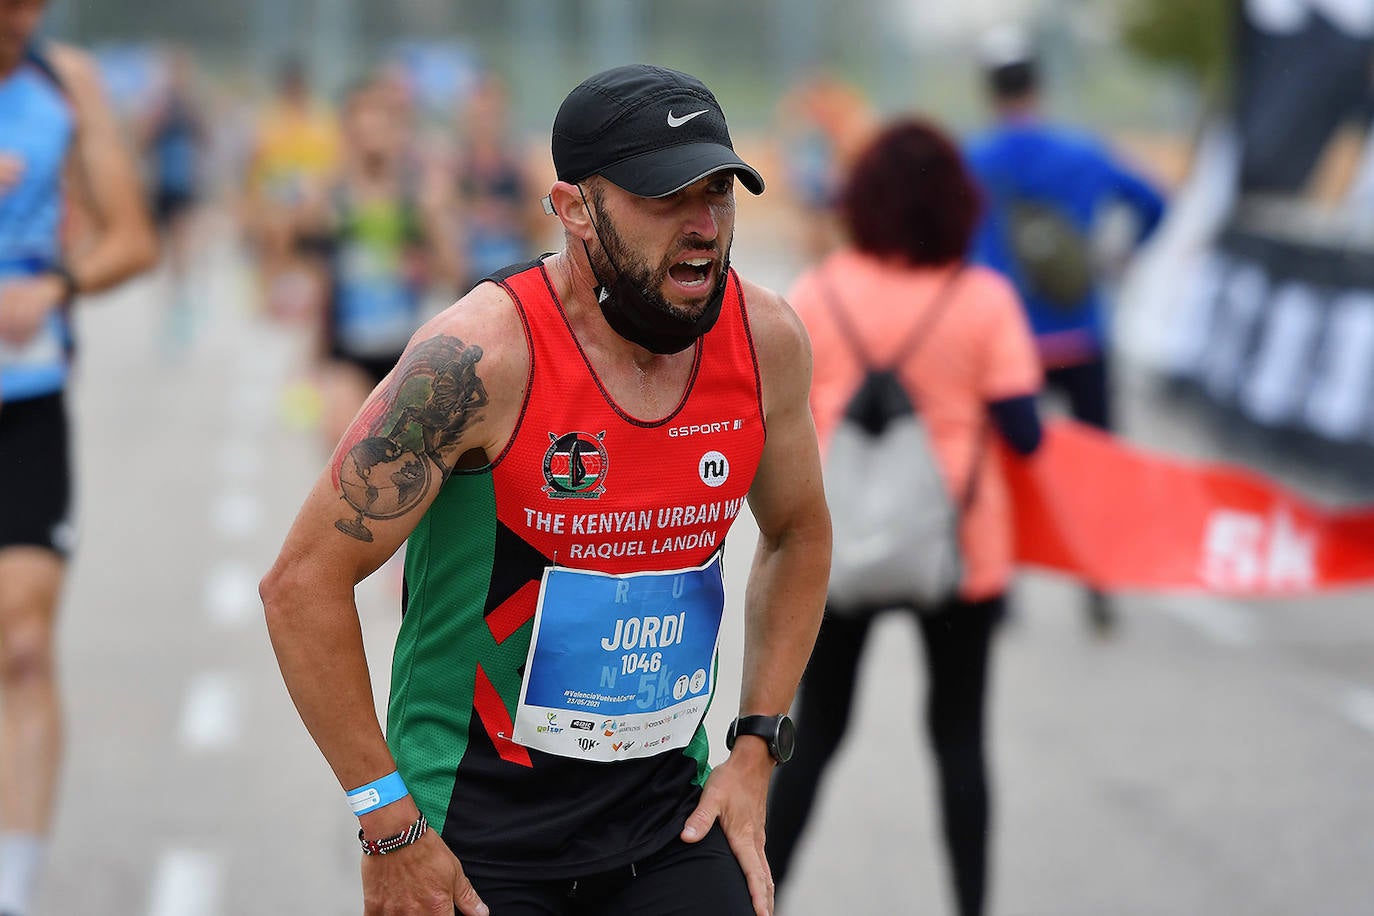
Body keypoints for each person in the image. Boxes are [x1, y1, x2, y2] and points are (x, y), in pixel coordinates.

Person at [261, 64, 831, 916]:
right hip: (472, 839)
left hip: (664, 825)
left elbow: (798, 533)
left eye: (718, 193)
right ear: (574, 209)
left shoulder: (765, 342)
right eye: (664, 198)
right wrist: (387, 823)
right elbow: (301, 585)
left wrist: (755, 748)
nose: (705, 226)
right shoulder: (480, 359)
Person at [765, 119, 1044, 916]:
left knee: (814, 734)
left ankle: (764, 896)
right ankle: (971, 902)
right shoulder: (982, 299)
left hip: (836, 544)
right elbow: (1024, 434)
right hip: (958, 552)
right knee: (959, 738)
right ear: (959, 205)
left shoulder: (820, 290)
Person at [0, 2, 159, 913]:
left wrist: (56, 283)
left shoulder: (67, 85)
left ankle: (15, 886)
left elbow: (133, 239)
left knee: (23, 644)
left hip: (26, 399)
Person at [964, 31, 1165, 635]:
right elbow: (1155, 201)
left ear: (991, 92)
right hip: (1081, 332)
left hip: (1004, 342)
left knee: (1002, 467)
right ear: (1038, 86)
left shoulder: (972, 159)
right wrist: (1122, 256)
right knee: (1095, 466)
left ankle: (1000, 589)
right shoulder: (1084, 152)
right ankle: (1099, 579)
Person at [294, 77, 458, 450]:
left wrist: (434, 224)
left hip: (407, 355)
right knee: (342, 454)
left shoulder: (420, 195)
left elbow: (452, 273)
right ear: (348, 128)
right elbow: (311, 276)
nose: (372, 128)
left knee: (401, 473)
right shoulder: (328, 196)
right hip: (347, 353)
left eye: (382, 118)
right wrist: (310, 359)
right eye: (362, 117)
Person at [138, 46, 207, 352]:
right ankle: (172, 300)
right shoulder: (160, 105)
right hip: (163, 183)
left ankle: (180, 305)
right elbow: (143, 140)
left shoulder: (190, 107)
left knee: (181, 246)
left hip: (183, 184)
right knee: (164, 251)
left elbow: (205, 140)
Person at [450, 73, 545, 292]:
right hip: (469, 281)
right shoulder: (452, 169)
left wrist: (509, 216)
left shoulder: (524, 166)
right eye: (478, 115)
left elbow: (542, 221)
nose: (485, 123)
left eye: (491, 114)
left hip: (515, 276)